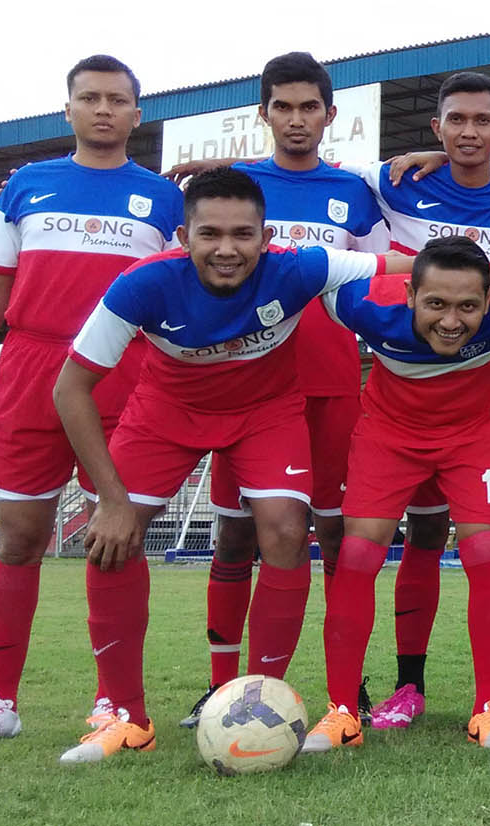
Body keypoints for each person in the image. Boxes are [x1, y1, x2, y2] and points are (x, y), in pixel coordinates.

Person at [48, 168, 420, 763]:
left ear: (266, 237)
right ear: (183, 237)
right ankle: (126, 716)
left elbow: (410, 265)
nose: (227, 249)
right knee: (111, 538)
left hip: (265, 412)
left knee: (286, 531)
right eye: (210, 234)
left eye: (243, 234)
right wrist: (112, 501)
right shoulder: (141, 284)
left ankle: (259, 698)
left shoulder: (300, 268)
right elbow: (70, 389)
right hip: (167, 410)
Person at [0, 55, 185, 748]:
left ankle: (117, 704)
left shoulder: (163, 199)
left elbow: (182, 285)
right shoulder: (27, 185)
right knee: (19, 539)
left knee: (116, 537)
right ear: (69, 109)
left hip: (122, 369)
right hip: (30, 366)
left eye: (117, 99)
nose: (103, 109)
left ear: (137, 113)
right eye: (90, 98)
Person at [178, 51, 392, 729]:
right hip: (245, 386)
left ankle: (345, 686)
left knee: (337, 538)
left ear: (330, 115)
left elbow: (381, 279)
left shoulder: (356, 191)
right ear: (263, 113)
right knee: (236, 537)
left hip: (331, 385)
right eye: (283, 107)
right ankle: (223, 687)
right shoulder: (236, 188)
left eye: (309, 107)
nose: (297, 119)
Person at [303, 235, 490, 753]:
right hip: (388, 437)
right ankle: (342, 711)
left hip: (475, 437)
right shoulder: (363, 304)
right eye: (435, 303)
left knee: (487, 549)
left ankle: (487, 708)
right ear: (410, 295)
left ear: (488, 301)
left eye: (467, 307)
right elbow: (303, 272)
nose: (451, 321)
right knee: (356, 556)